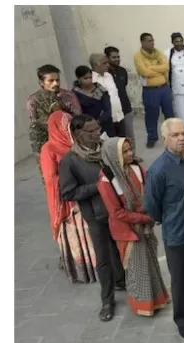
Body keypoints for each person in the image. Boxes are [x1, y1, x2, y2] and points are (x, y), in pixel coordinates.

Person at [60, 115, 126, 322]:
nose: (97, 133)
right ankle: (107, 300)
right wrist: (98, 186)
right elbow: (68, 192)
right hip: (96, 215)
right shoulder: (70, 161)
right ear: (78, 134)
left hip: (117, 210)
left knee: (120, 249)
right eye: (91, 131)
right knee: (103, 257)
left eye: (98, 128)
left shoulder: (106, 148)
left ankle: (122, 281)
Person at [98, 137, 170, 317]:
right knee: (138, 269)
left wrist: (152, 211)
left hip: (144, 225)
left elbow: (149, 190)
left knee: (151, 263)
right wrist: (144, 218)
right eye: (124, 151)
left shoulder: (136, 168)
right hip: (128, 232)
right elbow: (117, 213)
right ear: (114, 155)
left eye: (130, 149)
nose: (130, 154)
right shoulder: (106, 181)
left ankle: (158, 298)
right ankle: (143, 306)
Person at [144, 118, 184, 341]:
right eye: (175, 135)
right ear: (164, 139)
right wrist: (168, 219)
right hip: (178, 233)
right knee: (180, 279)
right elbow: (152, 206)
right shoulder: (159, 170)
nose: (182, 138)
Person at [40, 111, 97, 283]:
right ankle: (81, 271)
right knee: (74, 235)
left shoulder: (74, 145)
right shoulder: (48, 149)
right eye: (64, 127)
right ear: (56, 128)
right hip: (66, 201)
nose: (68, 130)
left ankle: (96, 269)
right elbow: (50, 178)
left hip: (82, 195)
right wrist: (70, 176)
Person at [27, 64, 82, 159]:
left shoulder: (68, 96)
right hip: (47, 144)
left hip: (71, 142)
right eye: (51, 81)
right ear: (41, 82)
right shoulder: (33, 100)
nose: (55, 83)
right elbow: (35, 124)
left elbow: (78, 118)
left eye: (57, 80)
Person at [134, 32, 174, 149]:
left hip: (164, 88)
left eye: (152, 40)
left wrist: (151, 68)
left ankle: (172, 135)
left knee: (169, 113)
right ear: (142, 42)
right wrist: (159, 70)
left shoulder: (158, 53)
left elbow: (166, 67)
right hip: (150, 90)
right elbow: (143, 72)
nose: (152, 43)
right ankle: (152, 137)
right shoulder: (138, 56)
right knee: (152, 115)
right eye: (149, 41)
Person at [105, 46, 138, 154]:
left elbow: (124, 86)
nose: (117, 59)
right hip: (112, 111)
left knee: (130, 135)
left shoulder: (123, 71)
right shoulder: (105, 74)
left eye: (118, 57)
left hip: (126, 108)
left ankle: (132, 156)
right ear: (107, 58)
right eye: (114, 57)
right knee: (116, 138)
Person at [90, 53, 126, 137]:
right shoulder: (92, 79)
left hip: (119, 116)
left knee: (122, 142)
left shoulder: (108, 75)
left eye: (107, 63)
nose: (108, 65)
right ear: (96, 64)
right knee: (109, 143)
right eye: (104, 63)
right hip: (106, 120)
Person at [73, 66, 114, 138]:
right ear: (78, 79)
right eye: (85, 78)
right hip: (86, 128)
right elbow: (76, 112)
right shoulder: (75, 94)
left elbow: (108, 110)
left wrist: (97, 122)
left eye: (90, 77)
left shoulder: (101, 90)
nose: (89, 80)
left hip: (104, 125)